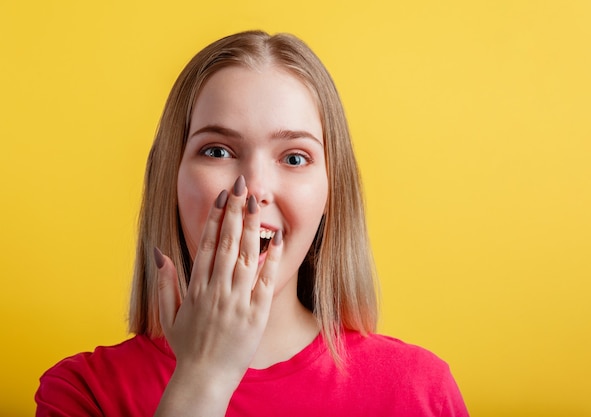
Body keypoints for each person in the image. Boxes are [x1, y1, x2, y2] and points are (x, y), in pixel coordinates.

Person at [35, 30, 469, 417]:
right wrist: (203, 377)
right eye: (218, 151)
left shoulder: (418, 392)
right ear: (170, 178)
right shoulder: (82, 393)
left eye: (295, 158)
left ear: (330, 196)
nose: (255, 189)